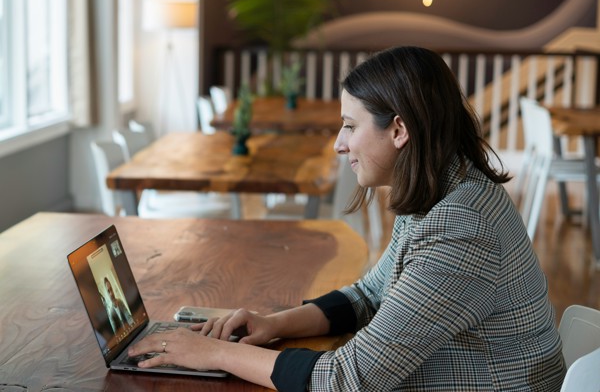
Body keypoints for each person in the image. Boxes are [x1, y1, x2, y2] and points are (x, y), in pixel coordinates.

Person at [128, 46, 566, 391]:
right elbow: (369, 295)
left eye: (350, 126)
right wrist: (272, 323)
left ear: (398, 130)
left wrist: (213, 355)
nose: (339, 144)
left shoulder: (462, 225)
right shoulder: (444, 190)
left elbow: (346, 380)